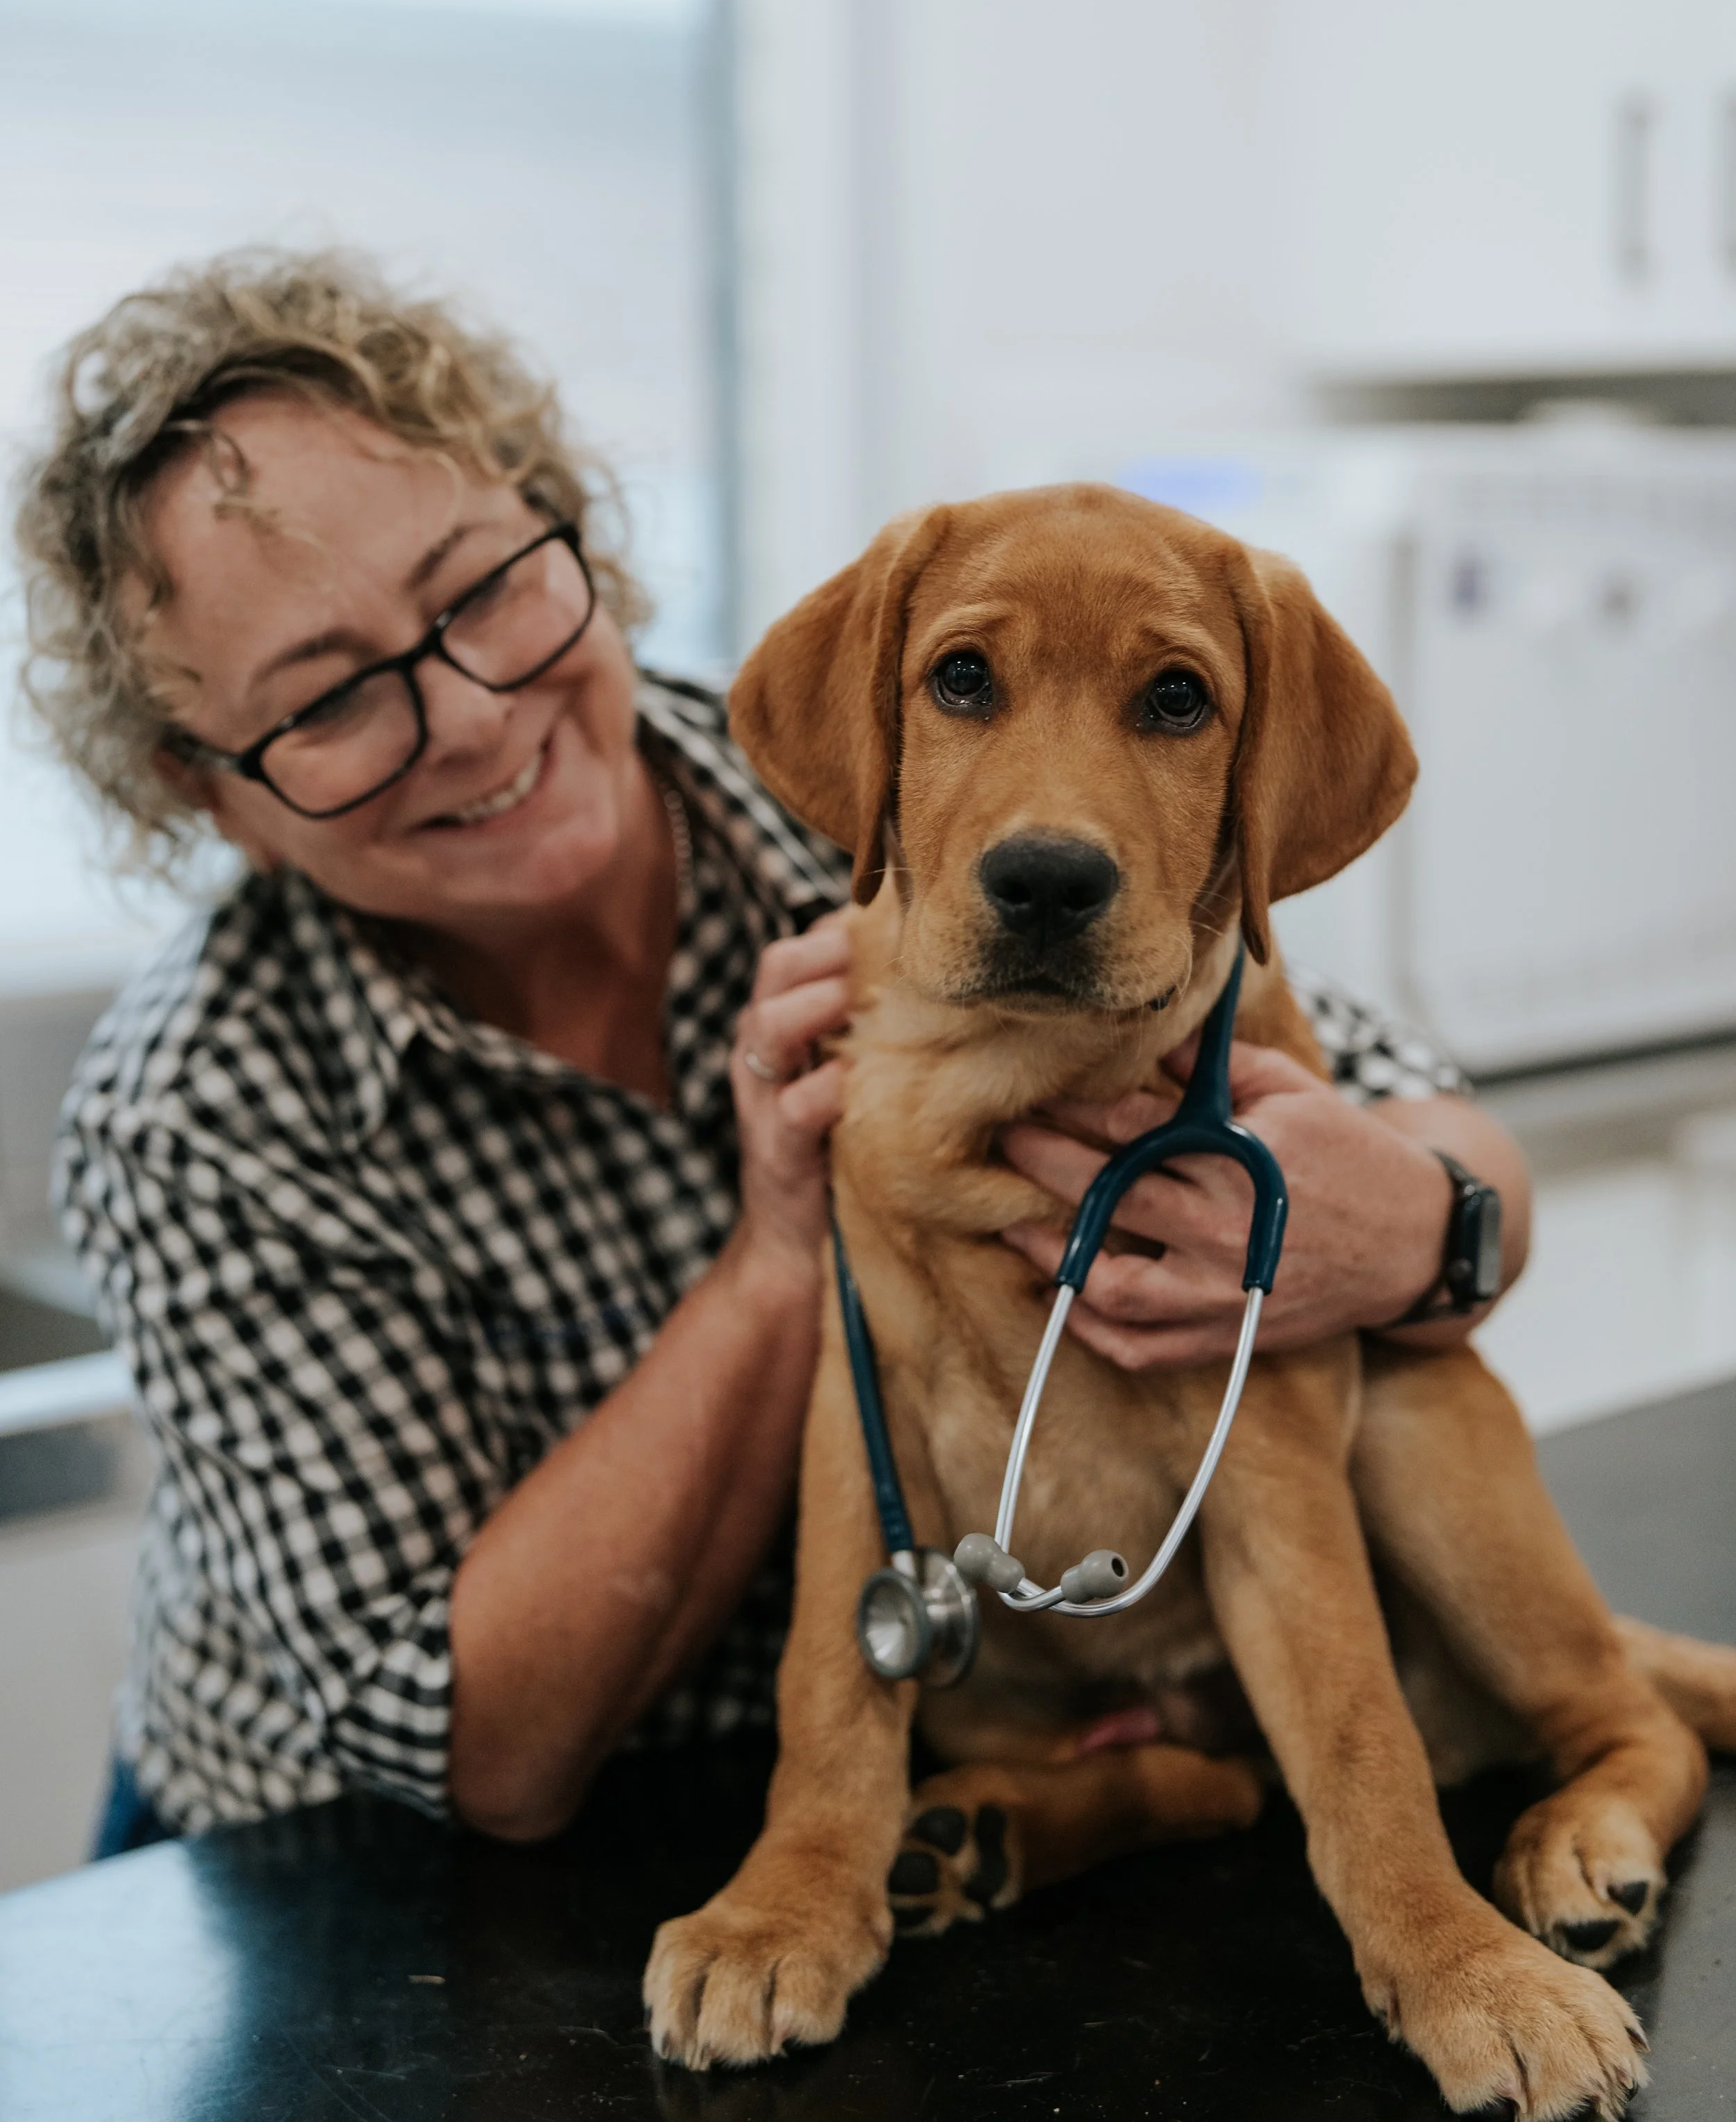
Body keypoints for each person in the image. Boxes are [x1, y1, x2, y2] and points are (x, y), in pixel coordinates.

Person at [17, 249, 1531, 1855]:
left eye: (481, 592)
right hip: (332, 1892)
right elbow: (482, 1753)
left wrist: (1426, 1229)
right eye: (328, 701)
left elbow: (1390, 1098)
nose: (468, 716)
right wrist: (775, 1251)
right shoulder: (191, 1120)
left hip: (859, 1769)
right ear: (205, 786)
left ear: (571, 532)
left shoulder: (854, 785)